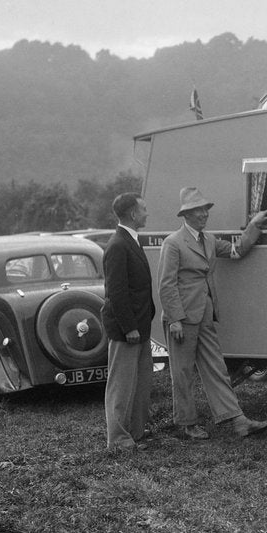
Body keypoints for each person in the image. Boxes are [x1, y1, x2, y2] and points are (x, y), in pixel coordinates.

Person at [158, 186, 267, 439]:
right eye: (198, 210)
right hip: (182, 319)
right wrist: (175, 319)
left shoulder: (209, 240)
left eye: (205, 209)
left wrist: (254, 225)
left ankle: (238, 421)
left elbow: (236, 251)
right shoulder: (173, 243)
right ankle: (188, 424)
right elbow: (166, 284)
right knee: (183, 372)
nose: (204, 214)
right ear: (186, 214)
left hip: (205, 315)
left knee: (217, 368)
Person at [101, 192, 156, 452]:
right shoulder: (118, 245)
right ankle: (118, 440)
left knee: (140, 383)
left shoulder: (130, 241)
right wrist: (129, 327)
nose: (147, 213)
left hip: (139, 326)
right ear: (133, 214)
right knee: (121, 386)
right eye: (143, 209)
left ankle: (134, 433)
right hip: (128, 329)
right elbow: (117, 292)